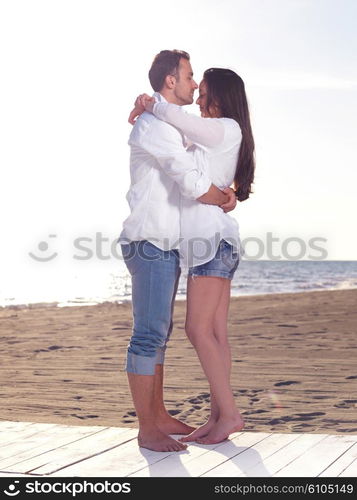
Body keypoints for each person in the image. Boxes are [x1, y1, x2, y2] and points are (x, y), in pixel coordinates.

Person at [118, 50, 237, 452]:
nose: (193, 85)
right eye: (188, 77)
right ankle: (147, 426)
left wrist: (230, 193)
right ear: (170, 80)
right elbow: (191, 182)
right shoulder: (155, 125)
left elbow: (203, 158)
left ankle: (159, 414)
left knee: (158, 334)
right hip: (149, 240)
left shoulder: (172, 124)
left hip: (167, 245)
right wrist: (223, 198)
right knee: (148, 335)